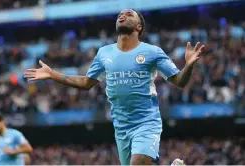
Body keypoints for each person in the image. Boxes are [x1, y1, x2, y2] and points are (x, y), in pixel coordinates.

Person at [24, 9, 204, 165]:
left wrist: (188, 66)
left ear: (139, 27)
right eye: (120, 14)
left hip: (147, 122)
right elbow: (86, 82)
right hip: (121, 127)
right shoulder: (104, 53)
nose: (122, 15)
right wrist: (52, 74)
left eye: (129, 14)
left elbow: (179, 81)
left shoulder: (152, 52)